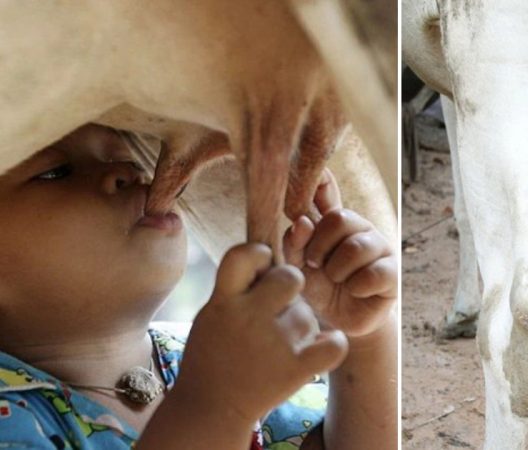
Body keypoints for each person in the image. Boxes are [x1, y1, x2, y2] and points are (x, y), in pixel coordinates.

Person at [0, 124, 397, 449]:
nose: (134, 173)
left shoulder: (208, 350)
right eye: (54, 172)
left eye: (129, 157)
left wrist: (359, 336)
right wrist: (215, 406)